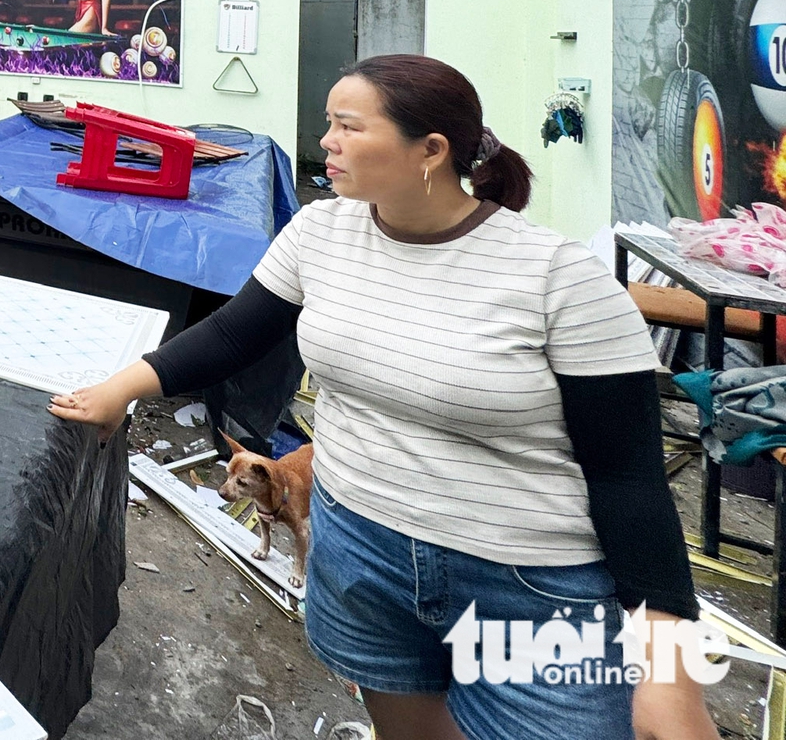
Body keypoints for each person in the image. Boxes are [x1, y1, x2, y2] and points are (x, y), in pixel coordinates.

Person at [50, 55, 717, 740]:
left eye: (347, 125)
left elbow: (629, 477)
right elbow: (232, 333)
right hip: (359, 551)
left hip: (527, 584)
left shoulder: (558, 278)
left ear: (430, 150)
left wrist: (667, 664)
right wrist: (119, 390)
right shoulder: (321, 233)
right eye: (327, 124)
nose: (327, 141)